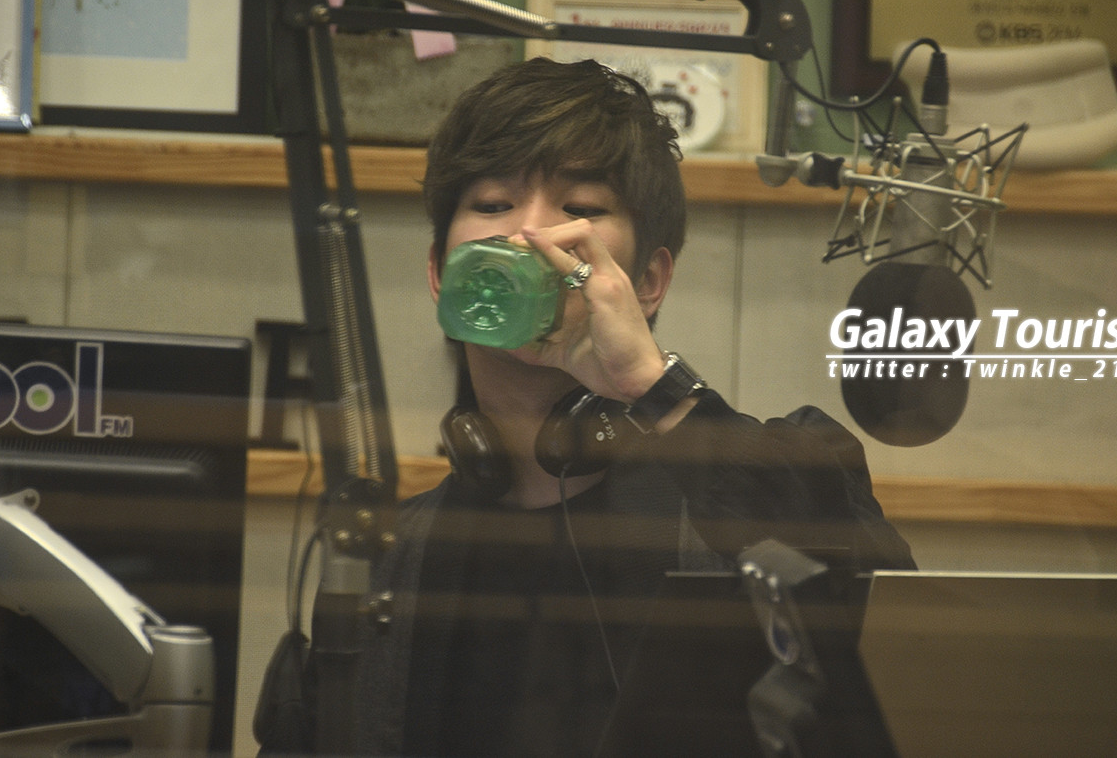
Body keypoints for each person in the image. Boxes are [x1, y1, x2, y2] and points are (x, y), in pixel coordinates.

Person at [352, 57, 914, 756]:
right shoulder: (391, 557)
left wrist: (653, 385)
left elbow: (895, 656)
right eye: (493, 204)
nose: (530, 235)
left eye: (581, 209)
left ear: (648, 281)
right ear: (441, 272)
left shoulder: (779, 478)